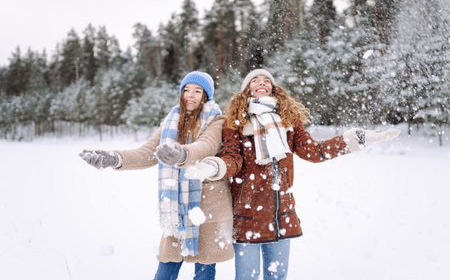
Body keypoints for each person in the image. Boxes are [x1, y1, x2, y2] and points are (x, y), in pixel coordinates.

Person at [184, 69, 400, 280]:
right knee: (247, 276)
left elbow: (313, 151)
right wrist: (214, 166)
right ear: (246, 89)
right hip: (248, 214)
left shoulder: (288, 121)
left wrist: (353, 139)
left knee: (277, 275)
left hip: (281, 213)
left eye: (266, 80)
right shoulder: (236, 123)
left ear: (273, 88)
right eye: (255, 80)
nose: (262, 82)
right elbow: (233, 159)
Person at [79, 71, 234, 280]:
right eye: (186, 90)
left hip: (207, 207)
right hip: (177, 208)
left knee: (204, 272)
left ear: (206, 95)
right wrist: (114, 158)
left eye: (198, 91)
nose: (191, 95)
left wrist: (182, 154)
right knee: (166, 269)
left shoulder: (216, 121)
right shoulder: (171, 121)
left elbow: (205, 146)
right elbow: (148, 153)